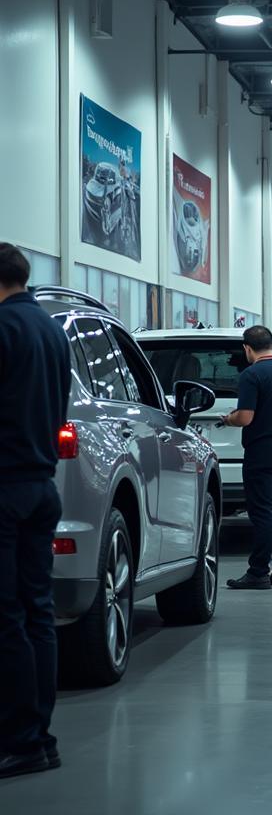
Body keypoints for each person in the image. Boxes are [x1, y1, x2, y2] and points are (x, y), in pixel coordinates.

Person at [0, 244, 71, 779]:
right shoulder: (52, 330)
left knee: (7, 618)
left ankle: (21, 740)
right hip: (42, 485)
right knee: (38, 612)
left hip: (4, 486)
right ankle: (39, 738)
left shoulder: (4, 328)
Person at [221, 326, 272, 590]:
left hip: (261, 448)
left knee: (262, 510)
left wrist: (228, 419)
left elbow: (245, 417)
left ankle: (258, 572)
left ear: (247, 348)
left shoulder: (252, 375)